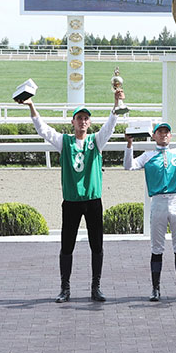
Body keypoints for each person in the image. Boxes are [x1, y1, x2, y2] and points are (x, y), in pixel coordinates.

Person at [19, 90, 122, 303]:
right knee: (67, 245)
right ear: (73, 122)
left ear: (89, 122)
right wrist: (31, 107)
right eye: (79, 118)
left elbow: (110, 127)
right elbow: (43, 130)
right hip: (72, 202)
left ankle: (96, 287)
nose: (82, 122)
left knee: (97, 245)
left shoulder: (97, 141)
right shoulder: (64, 141)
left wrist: (116, 103)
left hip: (93, 200)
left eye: (86, 118)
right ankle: (65, 288)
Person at [124, 122, 176, 301]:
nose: (164, 135)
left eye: (167, 132)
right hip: (158, 202)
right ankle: (155, 289)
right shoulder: (148, 155)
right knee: (157, 247)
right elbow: (129, 166)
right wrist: (129, 145)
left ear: (170, 135)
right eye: (160, 132)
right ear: (154, 135)